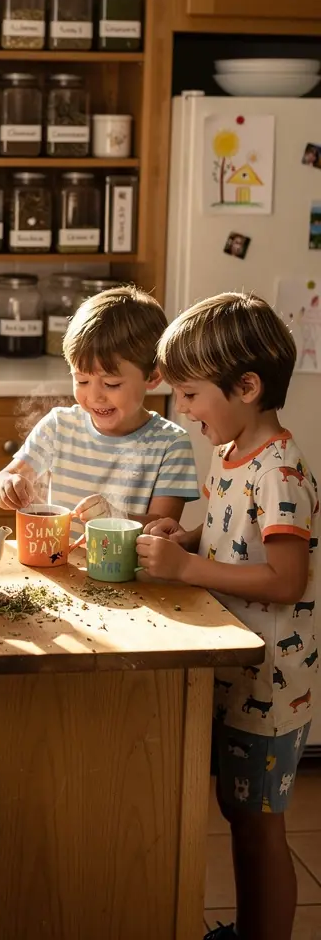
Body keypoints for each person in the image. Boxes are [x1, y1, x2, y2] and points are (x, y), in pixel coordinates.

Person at [136, 292, 319, 940]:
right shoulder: (231, 453)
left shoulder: (281, 472)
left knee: (261, 825)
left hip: (269, 677)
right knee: (237, 810)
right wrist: (183, 540)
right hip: (235, 666)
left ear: (246, 386)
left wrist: (186, 571)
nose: (180, 409)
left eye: (189, 394)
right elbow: (227, 541)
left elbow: (285, 578)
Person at [0, 285, 199, 525]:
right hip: (60, 561)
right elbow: (0, 480)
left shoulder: (171, 445)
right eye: (82, 380)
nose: (94, 396)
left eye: (111, 383)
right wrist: (6, 486)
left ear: (152, 376)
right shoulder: (59, 426)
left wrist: (115, 518)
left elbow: (165, 526)